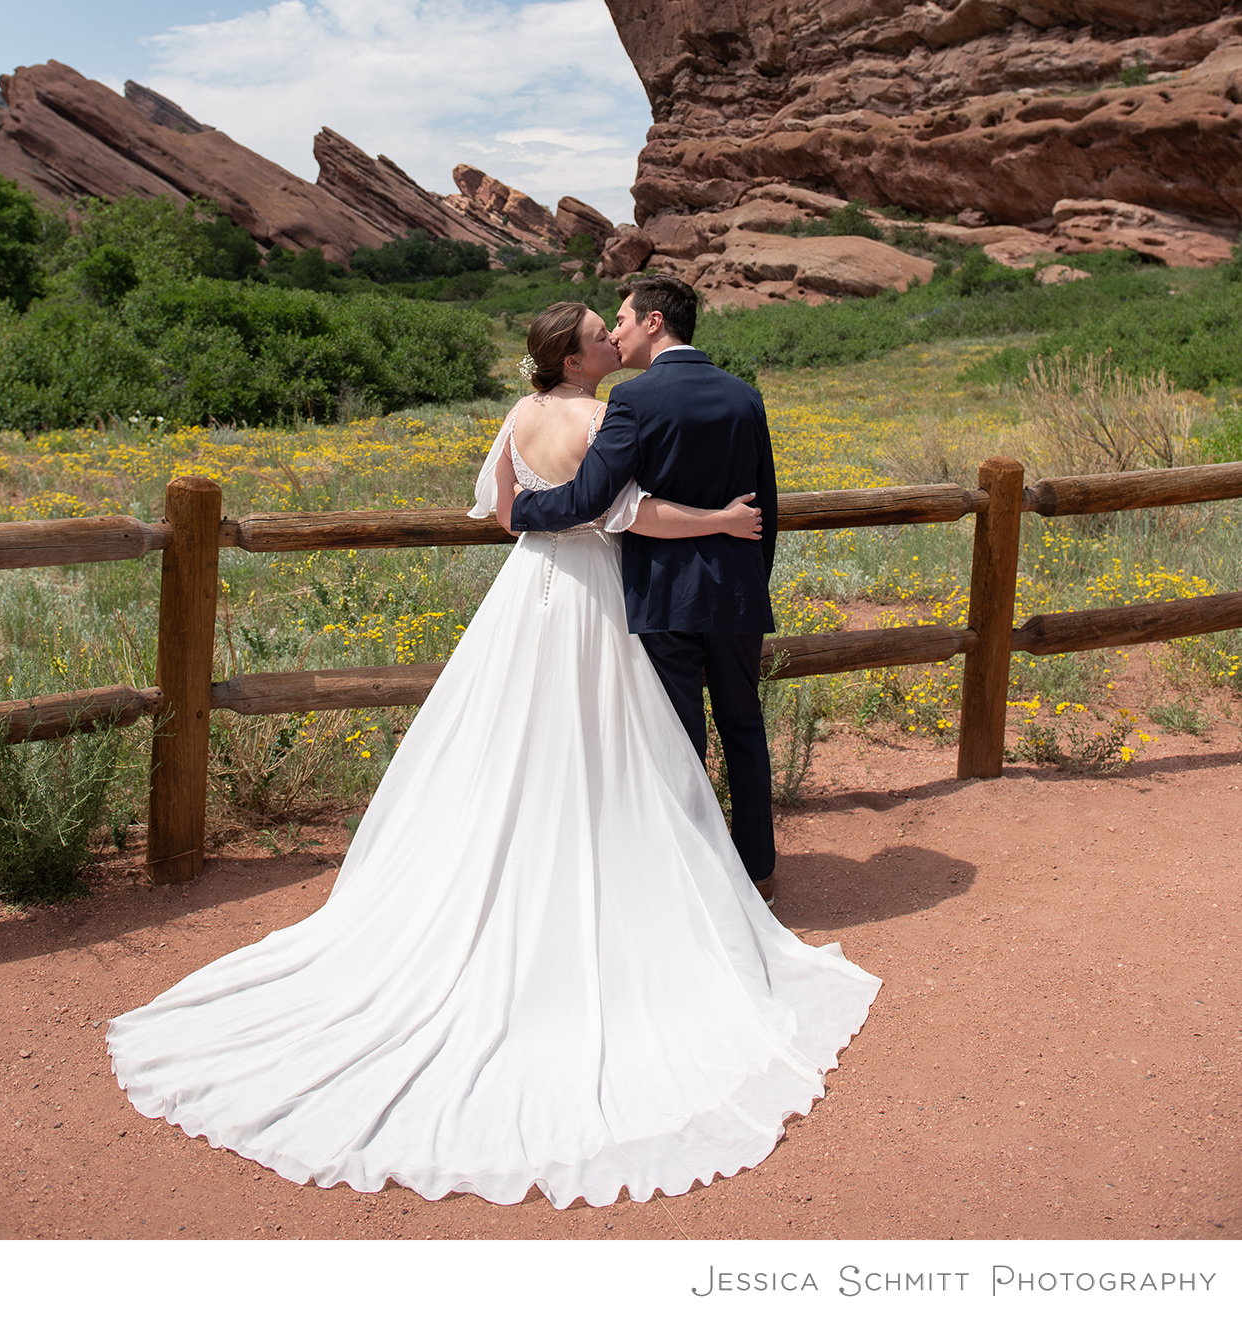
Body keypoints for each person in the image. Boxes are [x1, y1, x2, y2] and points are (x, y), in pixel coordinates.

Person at [106, 298, 879, 1209]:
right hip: (598, 593)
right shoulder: (607, 415)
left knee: (508, 743)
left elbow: (505, 513)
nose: (612, 339)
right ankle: (674, 876)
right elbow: (628, 514)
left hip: (530, 596)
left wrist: (547, 521)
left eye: (616, 325)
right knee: (626, 749)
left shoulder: (520, 416)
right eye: (601, 333)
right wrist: (720, 527)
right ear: (579, 355)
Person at [510, 274, 780, 900]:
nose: (619, 331)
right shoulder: (745, 396)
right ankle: (758, 871)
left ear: (655, 322)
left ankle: (697, 878)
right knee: (743, 723)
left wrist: (522, 512)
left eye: (624, 321)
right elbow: (767, 505)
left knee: (680, 736)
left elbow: (592, 499)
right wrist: (748, 579)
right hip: (736, 592)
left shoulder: (635, 402)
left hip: (664, 593)